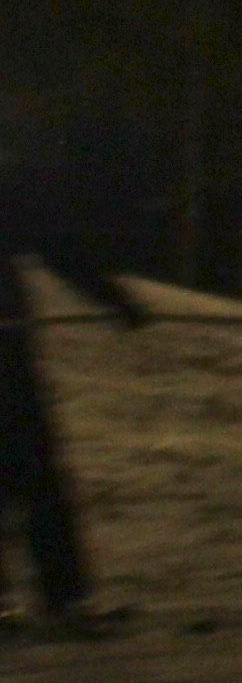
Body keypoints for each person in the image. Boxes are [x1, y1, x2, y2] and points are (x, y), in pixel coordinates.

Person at [0, 162, 149, 642]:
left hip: (8, 354)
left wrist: (111, 298)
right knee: (36, 471)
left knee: (36, 470)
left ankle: (65, 598)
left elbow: (54, 245)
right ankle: (62, 599)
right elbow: (54, 245)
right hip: (8, 353)